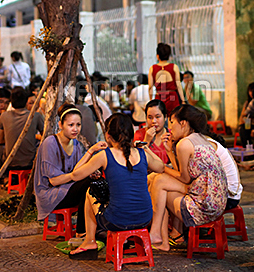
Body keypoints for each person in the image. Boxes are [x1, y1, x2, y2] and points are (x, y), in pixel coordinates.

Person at [47, 113, 165, 259]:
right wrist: (145, 148)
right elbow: (161, 167)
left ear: (108, 136)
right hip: (145, 218)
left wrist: (91, 151)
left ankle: (89, 241)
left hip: (117, 220)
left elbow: (76, 175)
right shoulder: (142, 154)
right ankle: (93, 240)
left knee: (91, 191)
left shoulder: (104, 155)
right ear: (132, 134)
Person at [148, 105, 228, 251]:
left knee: (158, 181)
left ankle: (157, 234)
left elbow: (184, 178)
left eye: (172, 122)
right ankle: (159, 237)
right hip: (217, 203)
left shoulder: (184, 144)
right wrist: (170, 152)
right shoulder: (201, 139)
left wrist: (161, 167)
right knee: (159, 182)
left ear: (183, 123)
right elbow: (185, 175)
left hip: (203, 207)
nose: (170, 127)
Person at [33, 104, 108, 240]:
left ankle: (97, 227)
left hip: (66, 188)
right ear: (61, 125)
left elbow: (77, 170)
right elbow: (54, 181)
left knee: (97, 181)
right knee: (87, 184)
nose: (75, 129)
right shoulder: (50, 143)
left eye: (78, 125)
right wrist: (78, 175)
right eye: (71, 125)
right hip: (50, 194)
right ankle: (82, 230)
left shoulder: (75, 144)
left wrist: (91, 154)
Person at [0, 87, 43, 170]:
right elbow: (45, 136)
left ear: (11, 102)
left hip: (10, 162)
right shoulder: (35, 115)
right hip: (31, 161)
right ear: (26, 101)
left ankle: (5, 176)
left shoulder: (4, 116)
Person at [148, 43, 186, 115]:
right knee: (173, 118)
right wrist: (183, 100)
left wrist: (151, 100)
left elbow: (150, 86)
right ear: (169, 56)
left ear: (157, 56)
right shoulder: (174, 67)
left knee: (160, 118)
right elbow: (178, 85)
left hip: (159, 96)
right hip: (172, 97)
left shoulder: (152, 68)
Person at [133, 100, 170, 164]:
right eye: (150, 117)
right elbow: (137, 160)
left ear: (165, 117)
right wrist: (146, 141)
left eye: (157, 117)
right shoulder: (139, 134)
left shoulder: (171, 135)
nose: (153, 121)